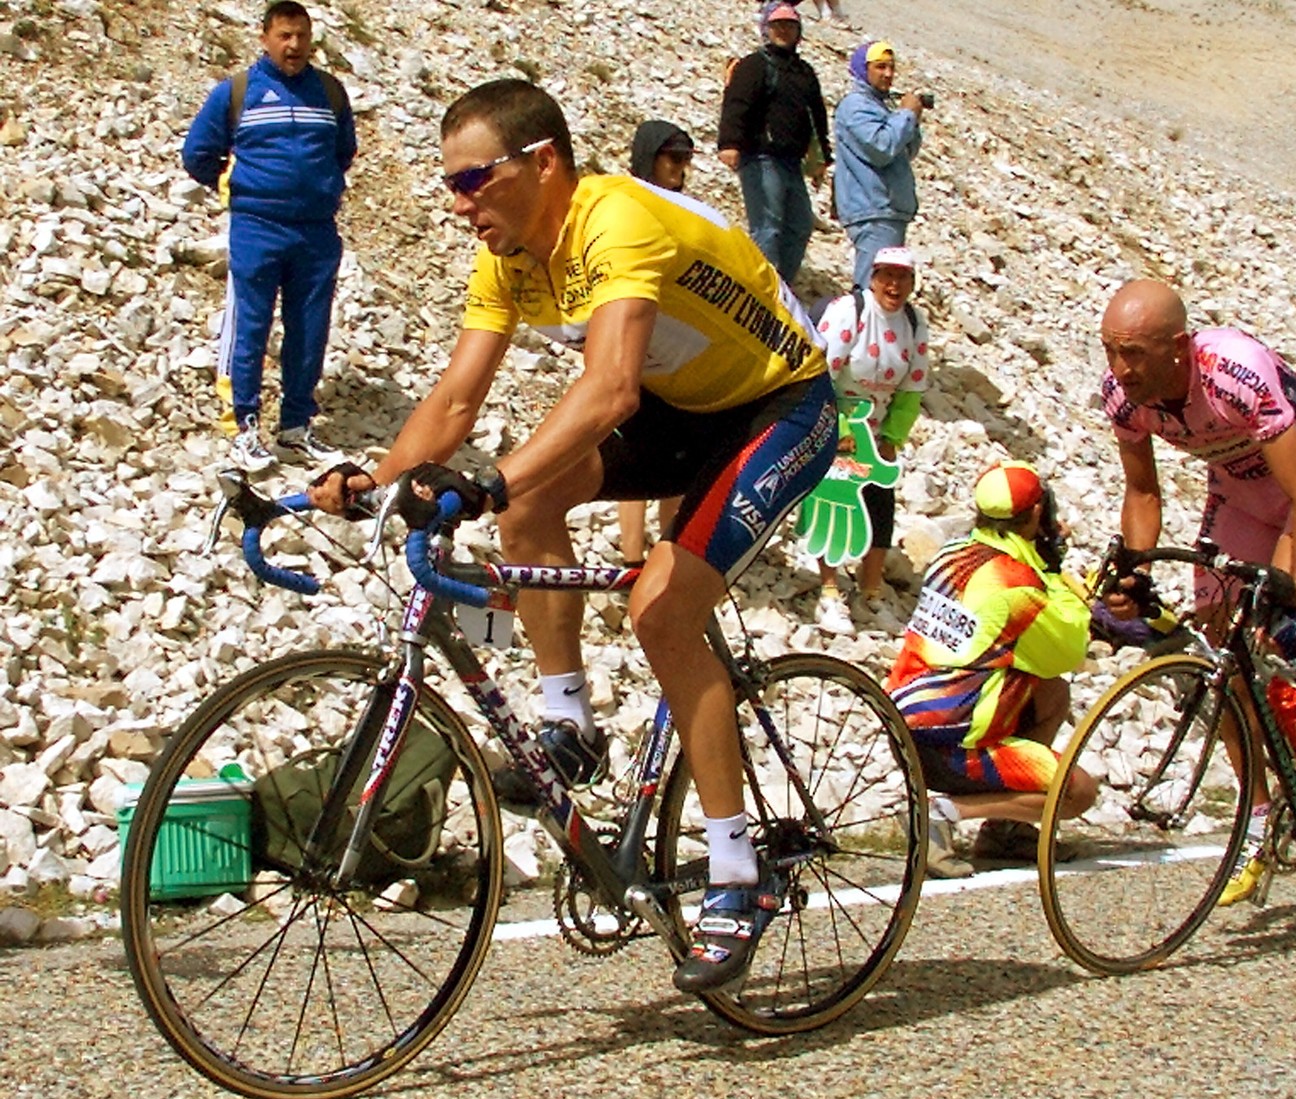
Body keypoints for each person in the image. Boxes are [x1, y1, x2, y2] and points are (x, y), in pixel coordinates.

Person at [310, 79, 837, 994]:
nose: (460, 203)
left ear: (543, 162)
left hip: (779, 409)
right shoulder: (508, 252)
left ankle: (738, 872)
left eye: (474, 179)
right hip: (688, 410)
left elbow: (609, 393)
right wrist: (378, 479)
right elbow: (456, 399)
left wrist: (484, 480)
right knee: (527, 509)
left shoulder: (616, 223)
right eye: (450, 186)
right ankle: (570, 723)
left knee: (661, 610)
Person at [1098, 279, 1296, 907]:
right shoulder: (1125, 395)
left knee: (1288, 615)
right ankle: (1258, 820)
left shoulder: (1234, 370)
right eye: (1110, 352)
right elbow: (1143, 494)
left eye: (1133, 354)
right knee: (1219, 645)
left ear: (1178, 347)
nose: (1119, 369)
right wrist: (1135, 575)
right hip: (1238, 491)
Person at [886, 460, 1096, 879]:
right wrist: (1059, 578)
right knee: (1077, 792)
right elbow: (1070, 649)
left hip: (904, 721)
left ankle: (1007, 832)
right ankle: (942, 814)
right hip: (951, 747)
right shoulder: (1019, 582)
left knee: (1051, 693)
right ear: (1038, 514)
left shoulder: (954, 553)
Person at [182, 0, 355, 472]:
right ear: (265, 38)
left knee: (309, 329)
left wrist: (314, 189)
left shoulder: (331, 93)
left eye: (301, 35)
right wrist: (242, 186)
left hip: (317, 232)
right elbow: (197, 153)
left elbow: (344, 152)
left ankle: (296, 427)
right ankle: (243, 428)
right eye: (284, 36)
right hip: (257, 228)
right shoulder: (237, 92)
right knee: (250, 326)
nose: (294, 45)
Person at [811, 245, 932, 634]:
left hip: (877, 429)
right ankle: (829, 591)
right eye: (886, 276)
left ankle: (872, 589)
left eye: (902, 277)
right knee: (835, 504)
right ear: (873, 277)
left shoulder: (914, 323)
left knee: (880, 505)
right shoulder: (851, 312)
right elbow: (821, 370)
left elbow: (913, 386)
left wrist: (893, 435)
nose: (893, 285)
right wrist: (840, 429)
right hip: (838, 421)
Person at [618, 120, 695, 566]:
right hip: (638, 341)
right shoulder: (631, 207)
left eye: (685, 160)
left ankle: (667, 552)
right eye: (674, 159)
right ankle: (631, 559)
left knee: (677, 461)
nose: (681, 169)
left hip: (676, 346)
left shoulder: (681, 210)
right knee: (634, 453)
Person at [718, 3, 831, 282]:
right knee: (767, 228)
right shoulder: (753, 66)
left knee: (800, 226)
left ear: (799, 32)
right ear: (765, 30)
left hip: (792, 162)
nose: (783, 31)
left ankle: (780, 286)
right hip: (761, 157)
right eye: (777, 25)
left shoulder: (804, 72)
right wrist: (729, 143)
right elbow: (736, 105)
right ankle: (762, 290)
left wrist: (822, 158)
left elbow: (817, 118)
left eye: (789, 26)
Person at [833, 41, 924, 291]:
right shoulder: (855, 106)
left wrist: (912, 120)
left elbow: (907, 150)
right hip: (872, 210)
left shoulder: (880, 106)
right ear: (863, 70)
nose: (888, 74)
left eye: (891, 67)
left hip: (888, 211)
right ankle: (860, 329)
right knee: (873, 287)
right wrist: (906, 115)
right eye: (880, 67)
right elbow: (882, 147)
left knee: (885, 287)